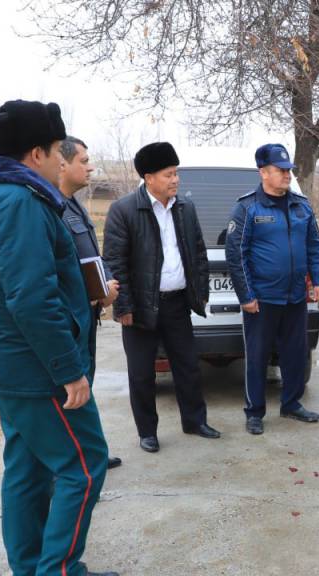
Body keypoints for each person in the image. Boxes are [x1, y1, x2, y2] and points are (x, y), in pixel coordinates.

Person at [0, 100, 117, 576]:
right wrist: (69, 369)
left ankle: (30, 567)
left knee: (28, 471)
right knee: (84, 465)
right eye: (55, 150)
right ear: (36, 154)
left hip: (13, 367)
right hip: (38, 370)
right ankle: (58, 571)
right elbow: (31, 299)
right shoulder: (22, 203)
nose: (60, 158)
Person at [103, 142, 219, 453]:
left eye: (176, 173)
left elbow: (198, 252)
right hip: (140, 308)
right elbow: (114, 262)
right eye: (169, 174)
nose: (175, 180)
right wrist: (123, 306)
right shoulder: (124, 210)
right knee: (141, 374)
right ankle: (147, 432)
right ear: (149, 177)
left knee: (188, 367)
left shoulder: (185, 208)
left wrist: (200, 292)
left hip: (177, 303)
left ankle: (195, 421)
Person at [224, 143, 319, 435]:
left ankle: (291, 404)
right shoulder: (247, 207)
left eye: (288, 170)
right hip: (262, 299)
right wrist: (246, 295)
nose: (286, 175)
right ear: (263, 172)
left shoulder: (301, 205)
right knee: (257, 357)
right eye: (280, 170)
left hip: (295, 296)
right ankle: (254, 412)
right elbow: (237, 254)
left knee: (295, 353)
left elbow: (314, 245)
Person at [58, 135, 123, 470]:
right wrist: (95, 291)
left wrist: (105, 287)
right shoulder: (51, 209)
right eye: (83, 161)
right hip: (71, 317)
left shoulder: (73, 205)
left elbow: (92, 258)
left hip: (88, 313)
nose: (91, 167)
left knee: (87, 383)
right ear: (62, 163)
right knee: (73, 390)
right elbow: (60, 273)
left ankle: (89, 451)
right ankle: (76, 461)